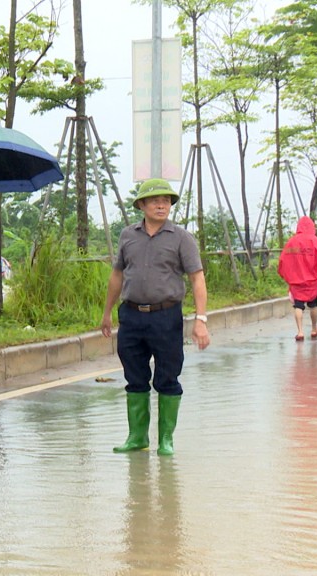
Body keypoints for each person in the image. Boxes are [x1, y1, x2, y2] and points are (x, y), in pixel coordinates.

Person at [100, 178, 210, 457]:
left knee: (168, 376)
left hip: (166, 316)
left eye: (166, 201)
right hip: (131, 315)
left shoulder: (182, 238)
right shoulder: (128, 235)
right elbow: (117, 275)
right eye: (155, 200)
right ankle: (137, 437)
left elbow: (197, 278)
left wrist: (201, 319)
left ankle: (166, 439)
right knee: (134, 375)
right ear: (142, 205)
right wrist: (107, 312)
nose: (162, 205)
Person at [278, 216, 317, 341]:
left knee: (298, 306)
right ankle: (313, 329)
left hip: (296, 281)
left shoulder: (291, 242)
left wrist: (287, 275)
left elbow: (283, 260)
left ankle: (300, 332)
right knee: (313, 305)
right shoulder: (316, 241)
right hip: (313, 280)